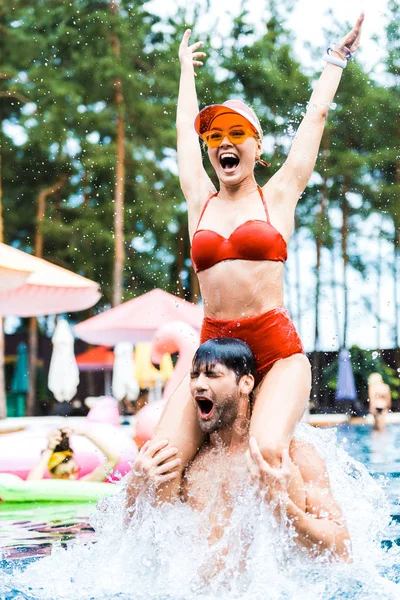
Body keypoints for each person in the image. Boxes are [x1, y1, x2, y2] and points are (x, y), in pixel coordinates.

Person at [147, 14, 365, 502]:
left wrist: (336, 59)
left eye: (237, 133)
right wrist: (185, 71)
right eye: (216, 136)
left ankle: (292, 557)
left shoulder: (278, 197)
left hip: (275, 352)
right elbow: (184, 129)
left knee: (266, 451)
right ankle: (175, 566)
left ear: (257, 147)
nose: (225, 142)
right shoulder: (198, 199)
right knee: (158, 462)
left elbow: (316, 120)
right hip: (213, 357)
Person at [126, 338, 351, 563]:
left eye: (212, 375)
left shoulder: (294, 456)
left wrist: (282, 506)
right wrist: (135, 488)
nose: (198, 385)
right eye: (194, 376)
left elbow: (342, 549)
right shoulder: (189, 463)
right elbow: (134, 541)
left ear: (245, 383)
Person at [27, 426, 120, 482]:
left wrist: (85, 434)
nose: (72, 477)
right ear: (53, 474)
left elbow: (114, 459)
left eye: (74, 470)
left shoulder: (83, 485)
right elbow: (29, 486)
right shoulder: (46, 490)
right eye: (64, 475)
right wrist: (49, 450)